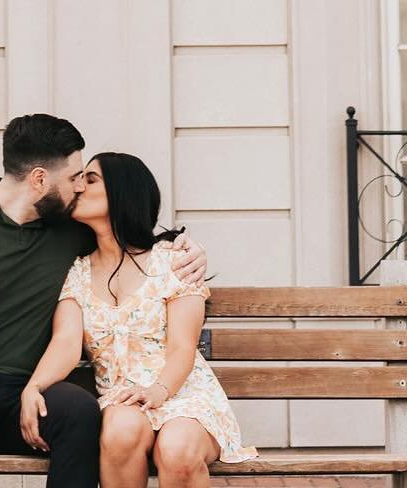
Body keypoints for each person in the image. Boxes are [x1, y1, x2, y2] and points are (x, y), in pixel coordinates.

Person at [0, 114, 208, 488]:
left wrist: (187, 248)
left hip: (34, 390)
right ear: (39, 179)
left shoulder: (71, 228)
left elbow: (129, 242)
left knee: (78, 411)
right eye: (74, 177)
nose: (80, 186)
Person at [20, 152, 254, 488]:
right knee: (119, 432)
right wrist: (34, 387)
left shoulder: (174, 261)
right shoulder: (78, 272)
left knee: (178, 452)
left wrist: (159, 390)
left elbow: (182, 346)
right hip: (122, 399)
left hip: (182, 394)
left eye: (91, 179)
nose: (79, 187)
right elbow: (66, 343)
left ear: (123, 191)